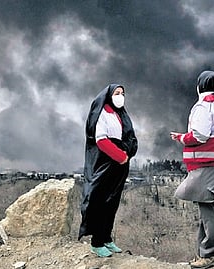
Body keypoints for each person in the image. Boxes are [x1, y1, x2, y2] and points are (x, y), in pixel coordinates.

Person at [170, 70, 214, 269]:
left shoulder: (205, 105)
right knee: (206, 208)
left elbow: (199, 135)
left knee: (208, 209)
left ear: (201, 86)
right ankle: (203, 254)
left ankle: (211, 255)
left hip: (206, 164)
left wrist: (182, 138)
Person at [78, 84, 138, 257]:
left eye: (123, 93)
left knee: (113, 202)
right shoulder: (101, 114)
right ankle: (96, 242)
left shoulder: (121, 115)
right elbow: (101, 140)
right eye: (117, 93)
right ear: (108, 95)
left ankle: (106, 238)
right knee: (100, 201)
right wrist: (120, 156)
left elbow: (130, 137)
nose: (120, 96)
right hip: (106, 164)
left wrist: (128, 154)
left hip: (120, 166)